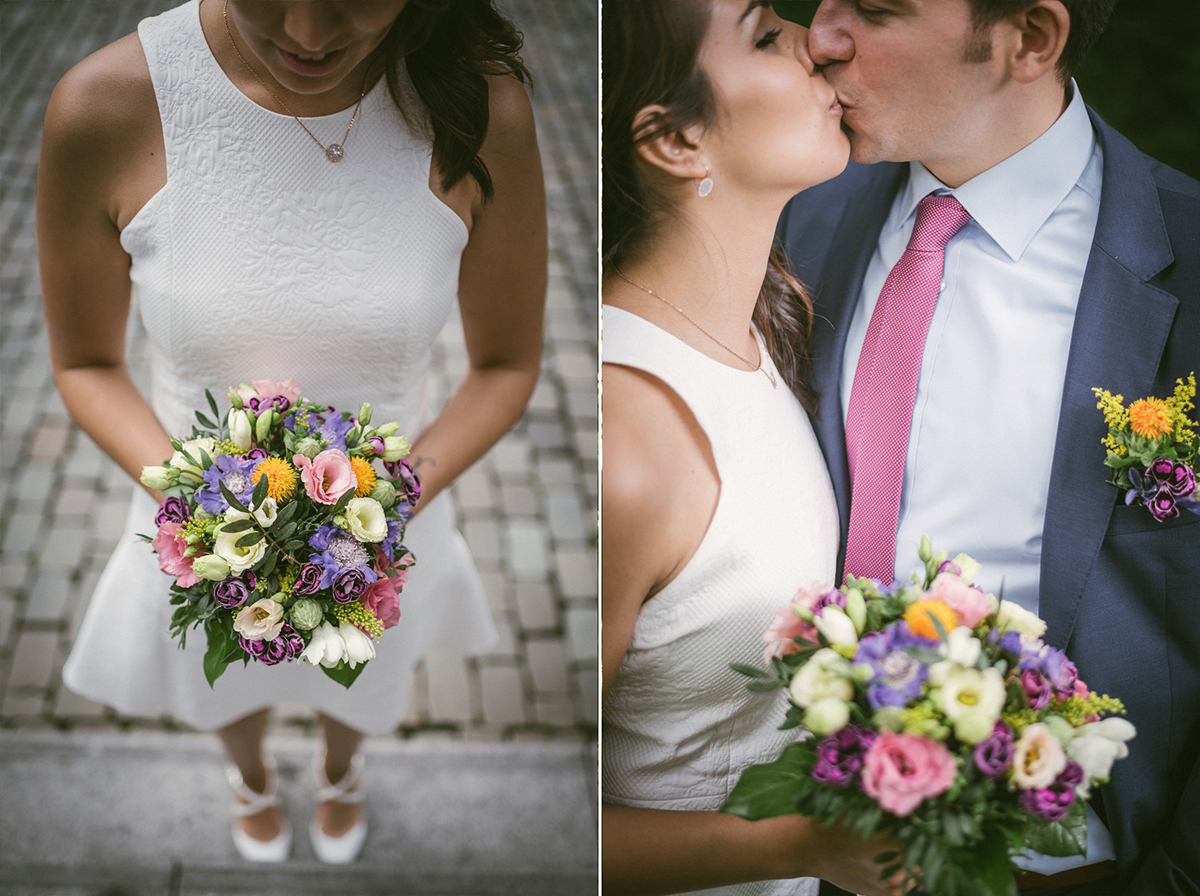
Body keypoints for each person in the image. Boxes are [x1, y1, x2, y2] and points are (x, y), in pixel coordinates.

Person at [37, 0, 546, 864]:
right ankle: (251, 775)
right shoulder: (106, 104)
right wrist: (207, 514)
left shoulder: (478, 105)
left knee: (364, 668)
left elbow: (505, 366)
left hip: (390, 517)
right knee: (224, 664)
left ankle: (341, 770)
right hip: (195, 512)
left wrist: (388, 503)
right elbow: (86, 365)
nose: (308, 35)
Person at [775, 0, 1200, 892]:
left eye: (876, 10)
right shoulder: (793, 218)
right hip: (796, 854)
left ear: (1031, 40)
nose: (821, 38)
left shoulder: (1187, 262)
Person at [601, 2, 911, 894]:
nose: (816, 44)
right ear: (675, 141)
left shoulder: (765, 332)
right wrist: (798, 847)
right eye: (768, 38)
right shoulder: (629, 440)